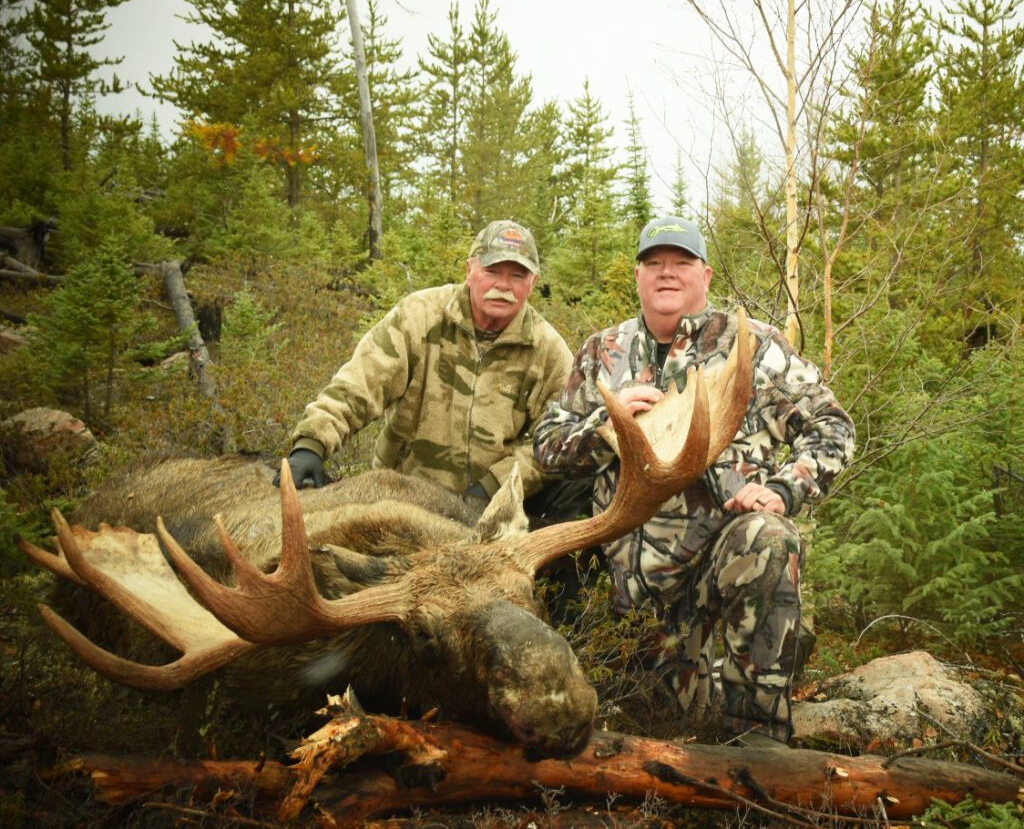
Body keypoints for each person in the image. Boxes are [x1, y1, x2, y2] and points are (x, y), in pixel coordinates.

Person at [534, 215, 855, 747]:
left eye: (681, 263)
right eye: (654, 263)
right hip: (621, 594)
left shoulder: (755, 346)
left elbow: (833, 427)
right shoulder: (602, 352)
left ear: (705, 275)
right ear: (637, 276)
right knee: (632, 721)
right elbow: (547, 446)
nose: (667, 273)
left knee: (767, 539)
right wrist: (605, 427)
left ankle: (759, 739)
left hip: (712, 572)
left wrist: (782, 489)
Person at [279, 219, 575, 518]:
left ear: (533, 283)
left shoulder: (546, 349)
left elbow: (558, 440)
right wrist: (311, 444)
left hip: (490, 504)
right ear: (470, 270)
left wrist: (495, 484)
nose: (503, 285)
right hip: (401, 493)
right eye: (492, 271)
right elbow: (360, 384)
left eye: (517, 275)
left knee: (577, 489)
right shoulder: (419, 315)